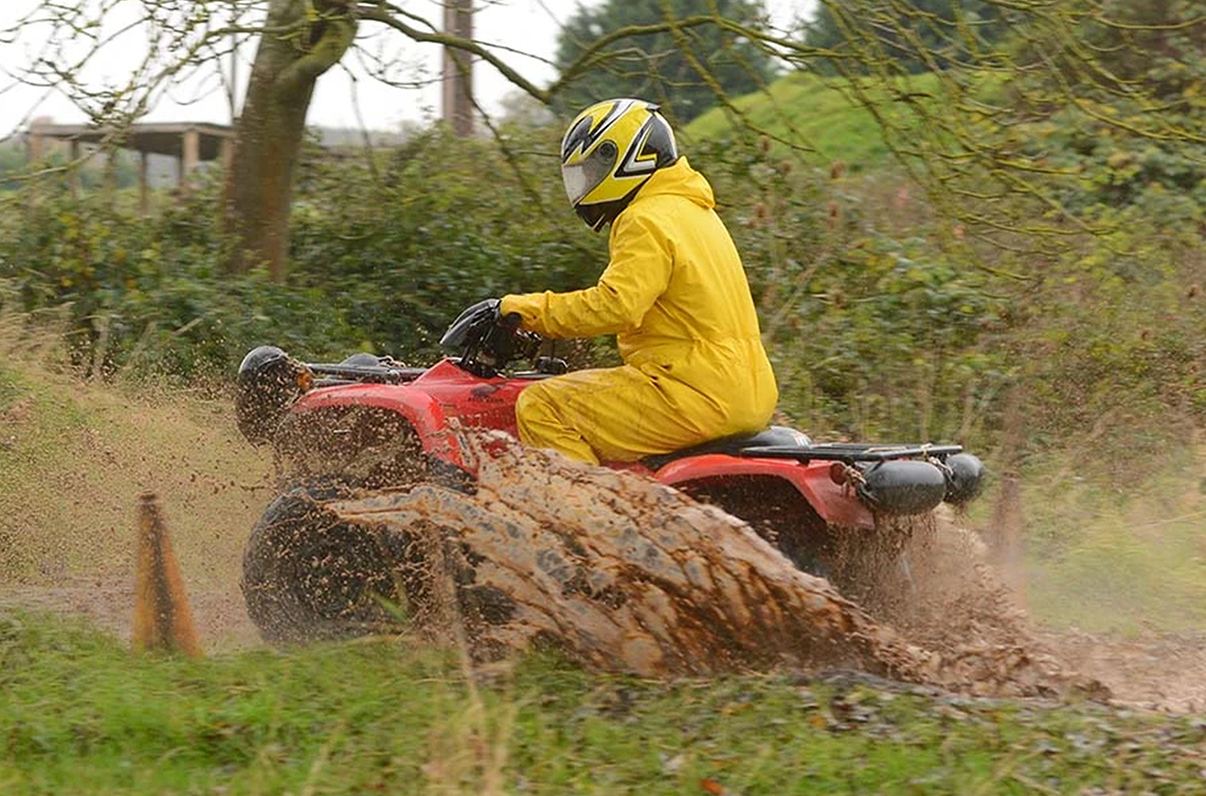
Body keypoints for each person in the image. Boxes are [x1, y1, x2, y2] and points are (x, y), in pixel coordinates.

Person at [498, 97, 778, 465]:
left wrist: (521, 310)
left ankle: (580, 519)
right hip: (746, 392)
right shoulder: (695, 211)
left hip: (692, 393)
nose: (585, 185)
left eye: (592, 170)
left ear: (628, 158)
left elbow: (617, 306)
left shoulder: (643, 218)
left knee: (543, 405)